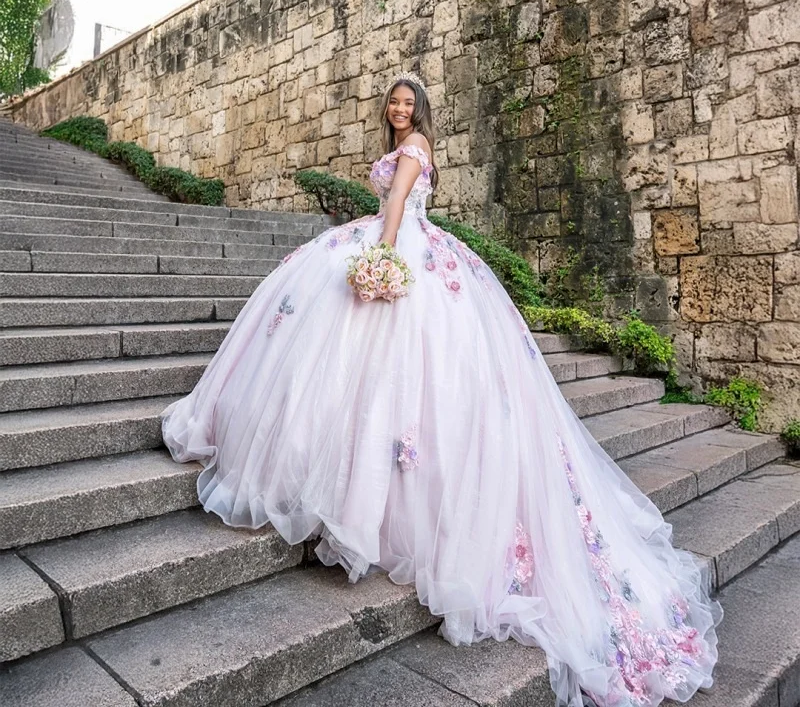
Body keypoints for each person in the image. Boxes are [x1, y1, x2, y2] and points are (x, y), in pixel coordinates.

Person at [161, 71, 720, 707]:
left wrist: (384, 257)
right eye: (393, 102)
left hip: (403, 246)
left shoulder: (416, 148)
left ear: (420, 110)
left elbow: (396, 204)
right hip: (402, 241)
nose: (400, 109)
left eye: (408, 102)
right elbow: (390, 200)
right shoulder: (407, 145)